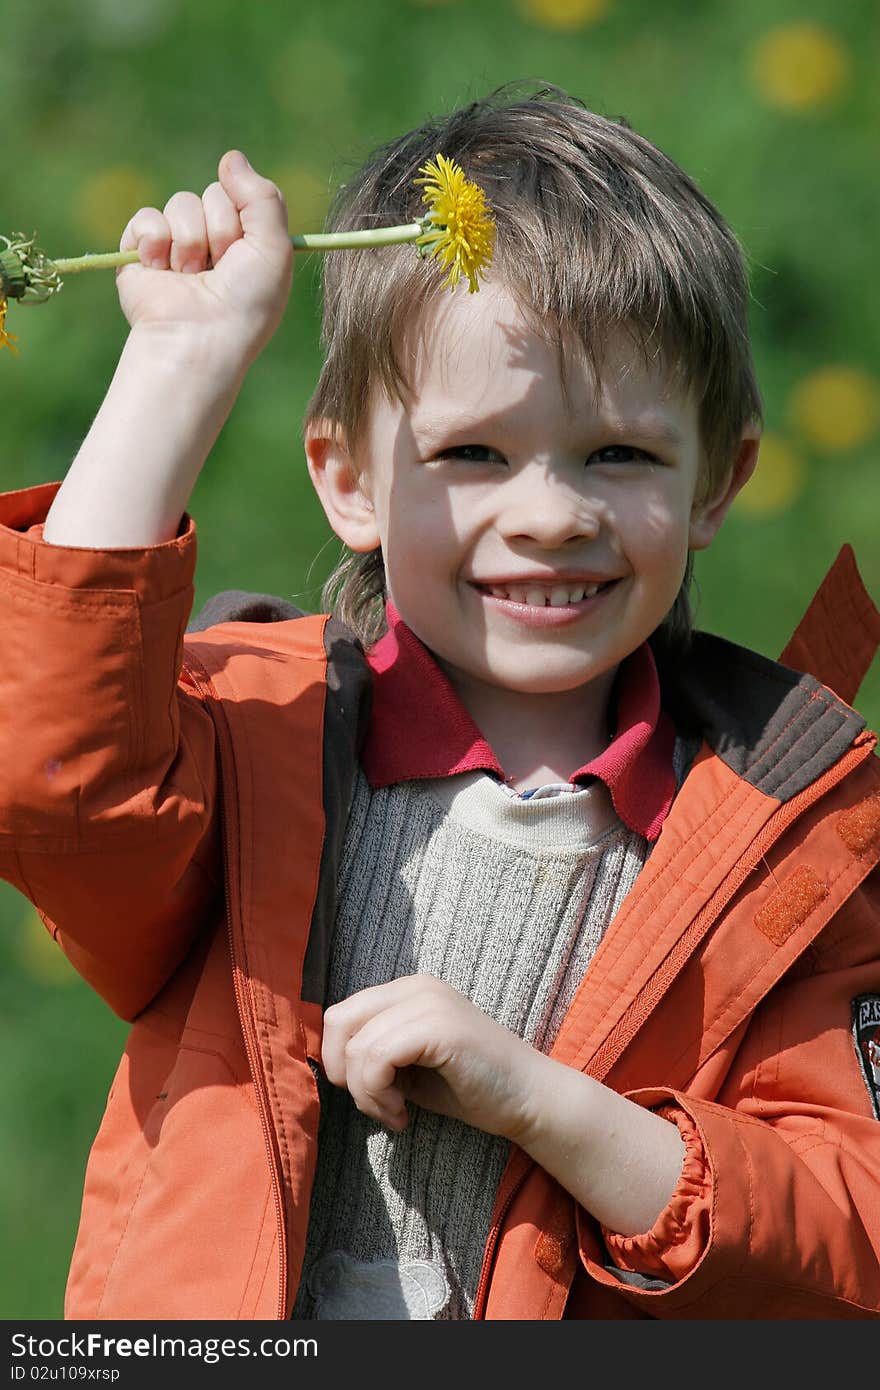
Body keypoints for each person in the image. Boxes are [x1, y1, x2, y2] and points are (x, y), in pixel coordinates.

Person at [1, 83, 879, 1323]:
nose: (549, 514)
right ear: (347, 480)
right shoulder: (250, 745)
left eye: (618, 454)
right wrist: (177, 365)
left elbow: (845, 1248)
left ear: (716, 481)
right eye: (472, 454)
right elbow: (52, 780)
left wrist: (543, 1103)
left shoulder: (788, 840)